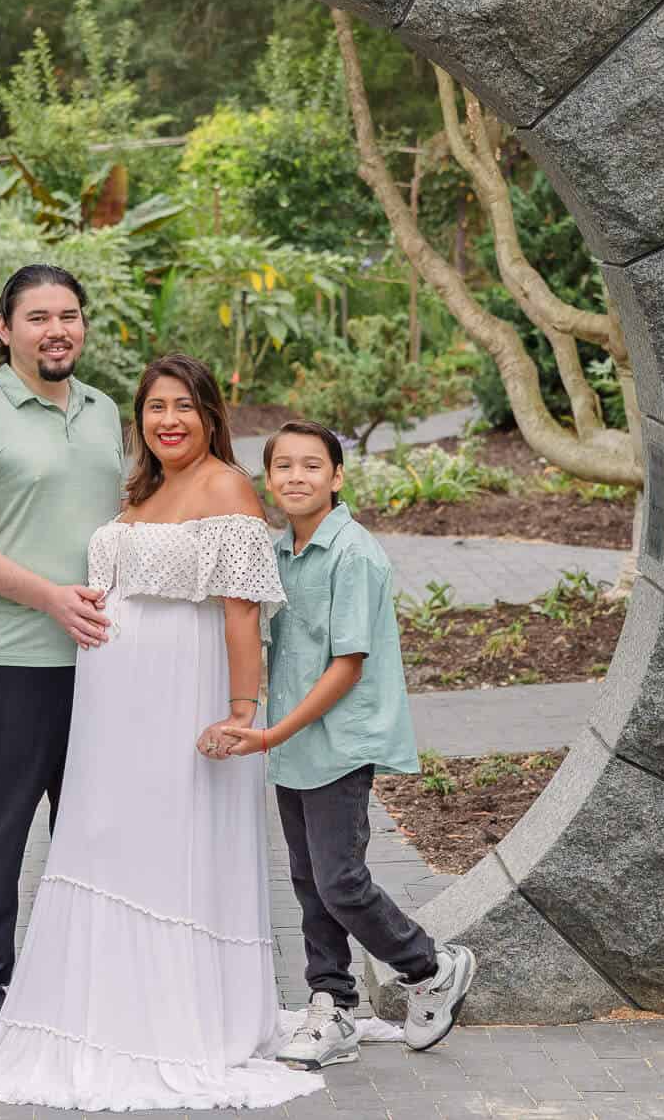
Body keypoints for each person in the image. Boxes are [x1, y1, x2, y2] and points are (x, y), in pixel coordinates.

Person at [0, 355, 324, 1111]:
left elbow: (243, 610)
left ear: (211, 414)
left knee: (164, 845)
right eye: (155, 407)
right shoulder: (145, 488)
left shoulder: (227, 486)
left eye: (183, 407)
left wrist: (242, 707)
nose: (168, 420)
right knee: (104, 843)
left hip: (178, 696)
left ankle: (174, 1015)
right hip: (111, 705)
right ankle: (96, 1005)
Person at [221, 420, 477, 1069]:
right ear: (269, 478)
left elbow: (347, 665)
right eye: (284, 467)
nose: (297, 477)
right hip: (293, 744)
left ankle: (431, 966)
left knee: (340, 879)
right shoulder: (279, 552)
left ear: (337, 477)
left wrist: (271, 731)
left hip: (336, 743)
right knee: (310, 881)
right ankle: (332, 1005)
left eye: (313, 466)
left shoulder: (353, 553)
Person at [0, 264, 126, 1049]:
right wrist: (49, 595)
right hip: (13, 661)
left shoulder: (108, 410)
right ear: (4, 328)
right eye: (38, 316)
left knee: (96, 832)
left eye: (69, 314)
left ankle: (90, 985)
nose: (57, 329)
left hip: (106, 662)